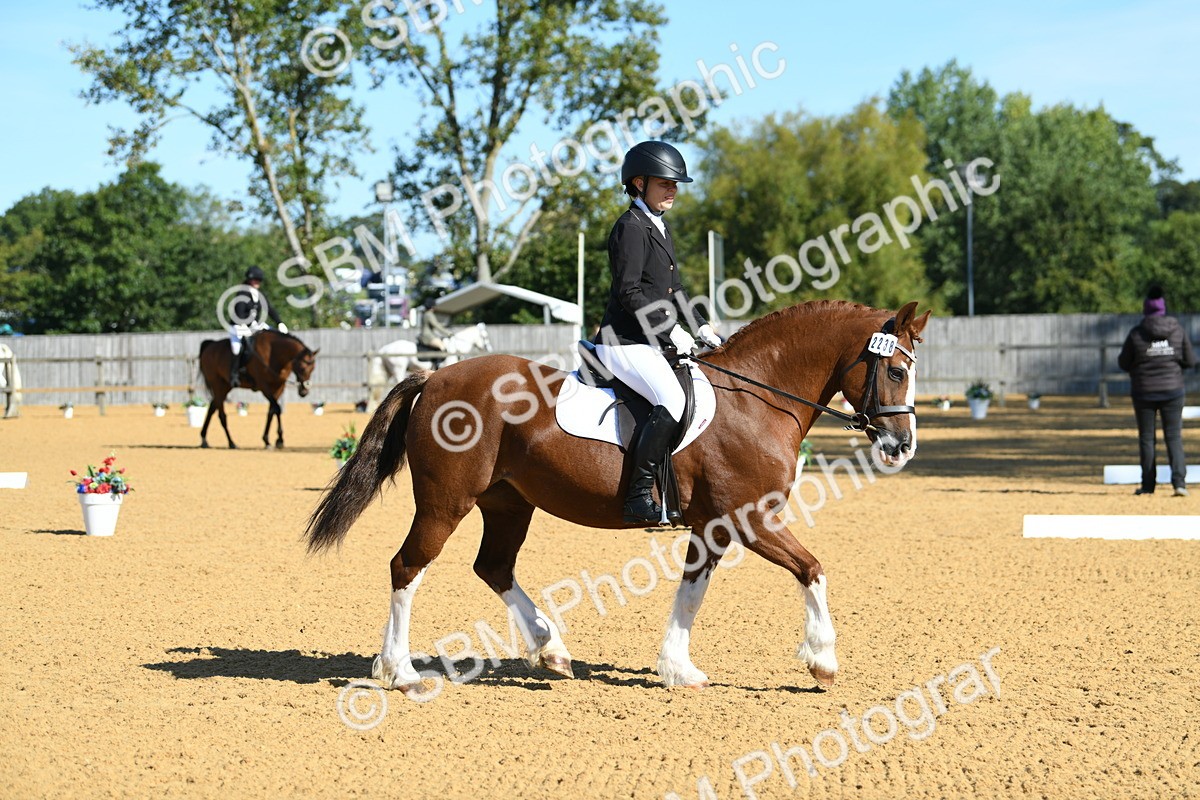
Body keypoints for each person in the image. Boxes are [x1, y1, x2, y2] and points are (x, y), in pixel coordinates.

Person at [592, 141, 722, 524]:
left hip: (650, 340)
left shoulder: (659, 227)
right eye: (665, 182)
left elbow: (675, 290)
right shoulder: (630, 227)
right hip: (623, 340)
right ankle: (637, 496)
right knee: (672, 399)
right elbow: (629, 291)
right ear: (639, 183)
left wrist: (700, 325)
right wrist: (671, 329)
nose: (673, 190)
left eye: (675, 184)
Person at [1118, 285, 1196, 496]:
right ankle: (1179, 483)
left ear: (1145, 309)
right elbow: (1190, 360)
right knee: (1173, 436)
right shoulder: (1177, 330)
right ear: (1163, 308)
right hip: (1173, 390)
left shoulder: (1136, 333)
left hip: (1144, 391)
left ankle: (1147, 485)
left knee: (1146, 438)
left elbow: (1123, 363)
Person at [227, 266, 288, 388]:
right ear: (249, 280)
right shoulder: (242, 293)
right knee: (237, 348)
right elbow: (239, 313)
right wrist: (245, 326)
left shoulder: (259, 294)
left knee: (273, 334)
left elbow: (269, 309)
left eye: (258, 280)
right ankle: (234, 374)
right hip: (238, 326)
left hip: (253, 325)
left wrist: (279, 323)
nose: (257, 282)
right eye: (254, 280)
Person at [417, 297, 452, 367]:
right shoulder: (429, 314)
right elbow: (436, 325)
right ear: (432, 306)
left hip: (427, 335)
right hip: (428, 336)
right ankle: (438, 365)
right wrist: (448, 333)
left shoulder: (425, 313)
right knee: (442, 346)